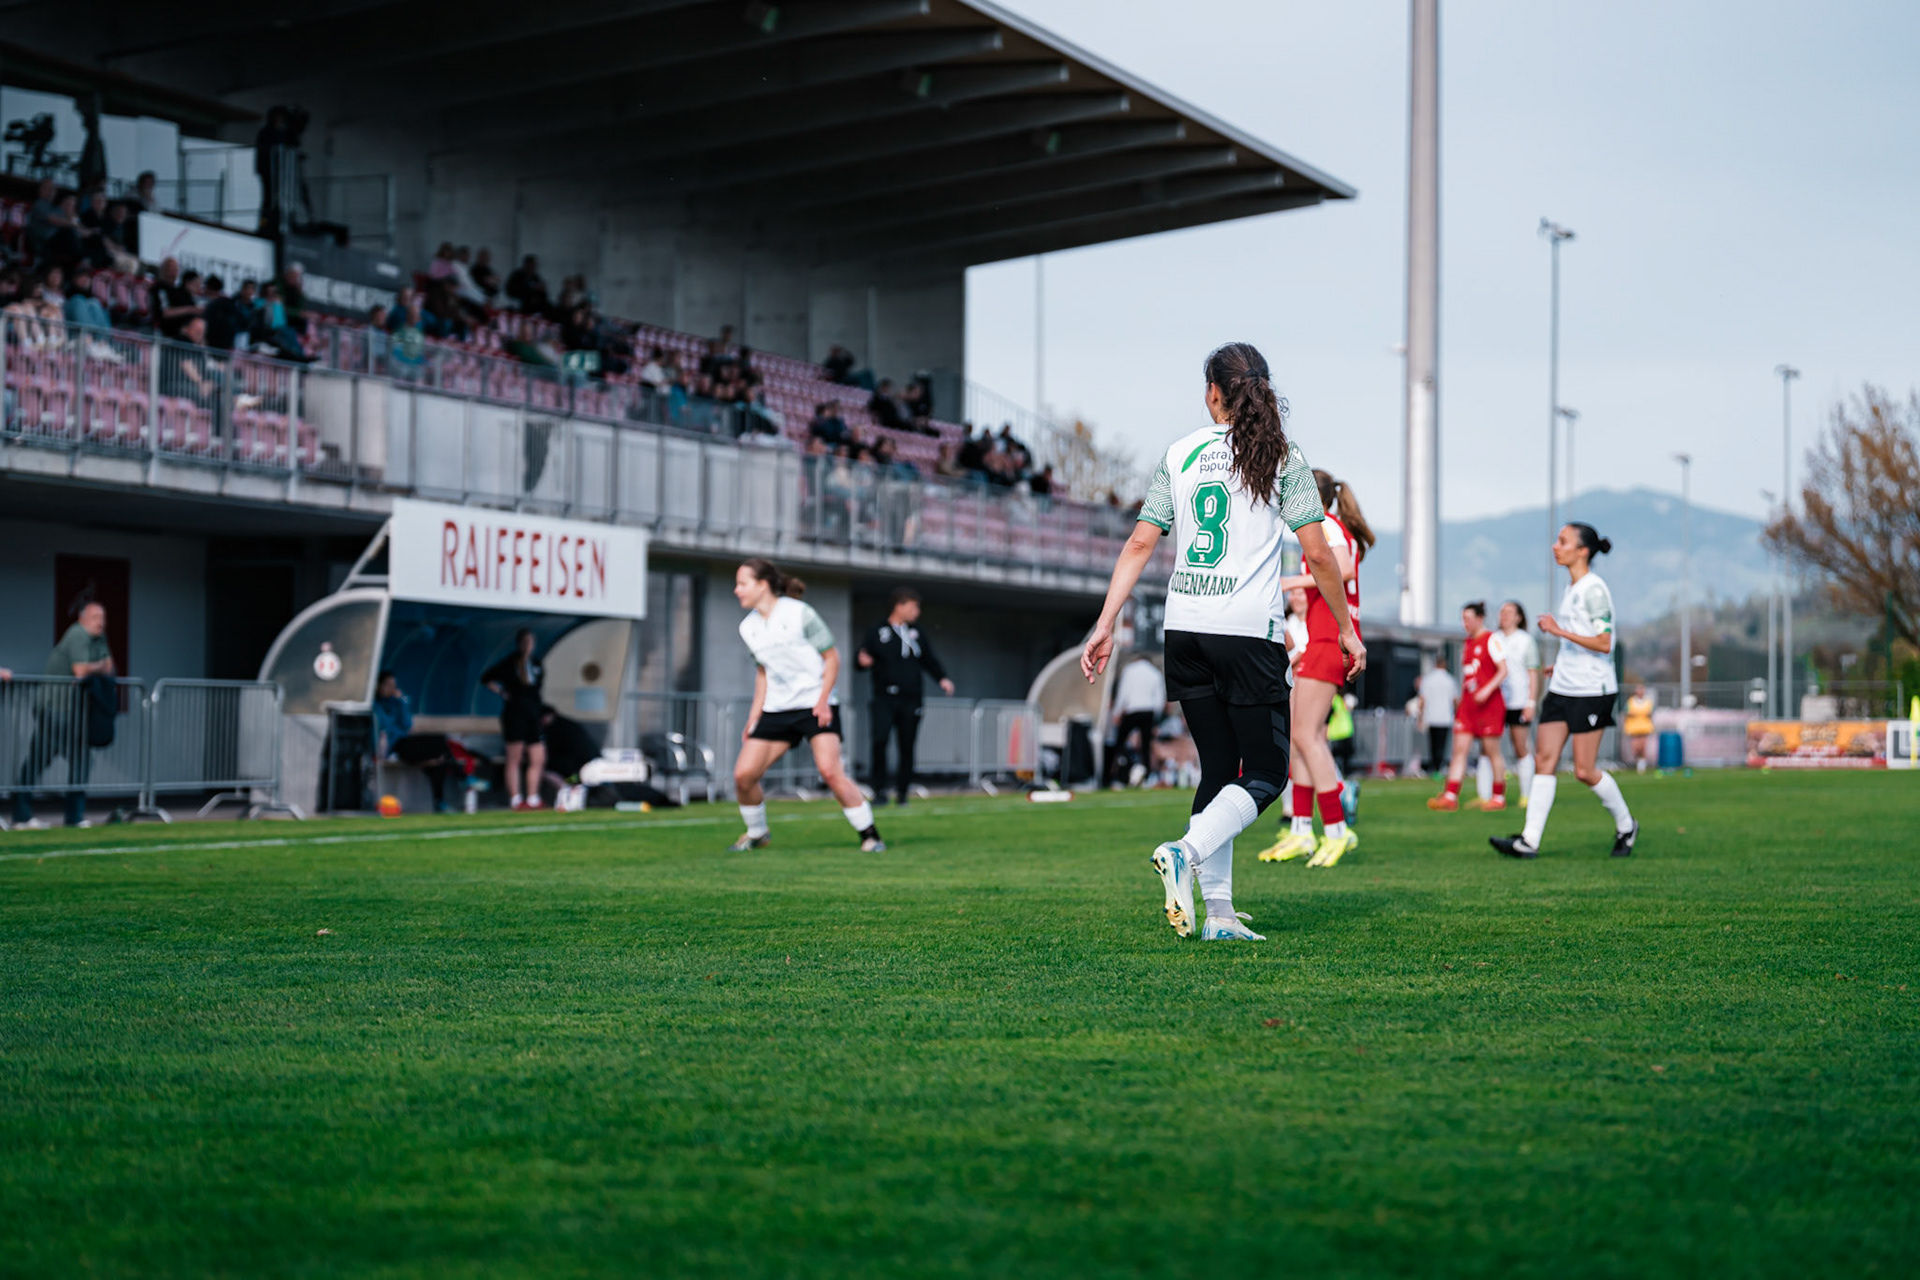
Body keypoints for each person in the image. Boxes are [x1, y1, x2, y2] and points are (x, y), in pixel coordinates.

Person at [1081, 341, 1364, 942]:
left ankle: (1220, 916)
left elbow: (1139, 544)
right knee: (1266, 772)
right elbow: (1317, 552)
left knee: (1217, 772)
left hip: (1183, 626)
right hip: (1244, 630)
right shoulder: (1281, 455)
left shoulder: (1180, 452)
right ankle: (1184, 852)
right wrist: (1343, 627)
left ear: (1213, 392)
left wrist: (1105, 622)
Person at [1493, 523, 1639, 859]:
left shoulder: (1594, 589)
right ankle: (1529, 841)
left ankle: (1626, 825)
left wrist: (1558, 631)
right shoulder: (1571, 588)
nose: (1555, 547)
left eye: (1563, 541)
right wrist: (1560, 665)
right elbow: (1580, 638)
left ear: (1582, 551)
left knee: (1585, 770)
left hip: (1591, 691)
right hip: (1562, 689)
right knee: (1545, 760)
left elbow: (1605, 643)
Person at [729, 558, 885, 853]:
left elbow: (832, 658)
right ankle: (757, 833)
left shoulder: (800, 613)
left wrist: (824, 700)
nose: (737, 590)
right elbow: (763, 673)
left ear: (762, 585)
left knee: (829, 771)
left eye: (742, 583)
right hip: (777, 709)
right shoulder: (747, 628)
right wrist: (754, 716)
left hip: (815, 703)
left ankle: (871, 835)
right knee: (743, 775)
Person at [1261, 469, 1374, 867]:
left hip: (1330, 640)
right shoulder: (1325, 526)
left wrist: (1293, 580)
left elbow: (1341, 569)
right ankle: (1301, 831)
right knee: (1298, 739)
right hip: (1323, 638)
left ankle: (1338, 830)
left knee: (1308, 737)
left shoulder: (1326, 524)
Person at [10, 601, 114, 829]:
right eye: (96, 617)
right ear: (83, 618)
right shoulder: (78, 635)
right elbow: (81, 670)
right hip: (56, 708)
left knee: (38, 760)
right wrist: (98, 667)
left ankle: (22, 815)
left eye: (103, 617)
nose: (101, 622)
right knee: (80, 759)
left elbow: (110, 668)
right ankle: (73, 816)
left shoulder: (100, 639)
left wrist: (94, 667)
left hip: (69, 711)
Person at [855, 588, 955, 806]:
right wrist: (861, 661)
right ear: (899, 606)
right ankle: (879, 791)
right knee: (879, 742)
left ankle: (902, 793)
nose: (916, 612)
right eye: (912, 607)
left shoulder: (916, 632)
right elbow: (861, 656)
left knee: (907, 746)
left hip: (911, 698)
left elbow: (929, 659)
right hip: (884, 698)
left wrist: (942, 678)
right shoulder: (877, 631)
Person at [1429, 602, 1509, 811]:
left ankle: (1498, 796)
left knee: (1492, 752)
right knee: (1459, 750)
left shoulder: (1492, 639)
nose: (1465, 623)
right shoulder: (1467, 643)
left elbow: (1503, 670)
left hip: (1490, 705)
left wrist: (1487, 690)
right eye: (1463, 619)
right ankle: (1450, 795)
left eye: (1468, 619)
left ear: (1480, 619)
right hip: (1468, 705)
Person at [372, 671, 460, 813]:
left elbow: (407, 724)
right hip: (393, 747)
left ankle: (440, 802)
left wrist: (401, 702)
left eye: (393, 685)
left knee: (439, 760)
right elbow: (384, 725)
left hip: (405, 743)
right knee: (438, 747)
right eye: (388, 685)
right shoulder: (375, 705)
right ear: (378, 686)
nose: (392, 689)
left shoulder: (397, 703)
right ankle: (461, 776)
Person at [482, 629, 547, 810]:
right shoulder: (510, 663)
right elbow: (486, 678)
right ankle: (516, 799)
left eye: (531, 641)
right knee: (515, 756)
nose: (528, 645)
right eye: (525, 641)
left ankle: (533, 797)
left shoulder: (536, 663)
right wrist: (502, 692)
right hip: (515, 714)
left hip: (533, 714)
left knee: (538, 756)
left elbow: (536, 688)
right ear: (519, 643)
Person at [1497, 599, 1543, 801]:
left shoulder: (1525, 640)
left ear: (1518, 617)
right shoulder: (1494, 639)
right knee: (1489, 748)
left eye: (1509, 612)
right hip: (1497, 702)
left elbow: (1533, 672)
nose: (1504, 615)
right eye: (1502, 612)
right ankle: (1493, 795)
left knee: (1520, 747)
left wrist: (1531, 702)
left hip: (1518, 700)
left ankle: (1527, 794)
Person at [1105, 655, 1167, 788]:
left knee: (1120, 743)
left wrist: (1116, 712)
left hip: (1132, 710)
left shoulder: (1129, 670)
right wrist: (1155, 718)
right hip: (1148, 711)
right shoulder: (1155, 673)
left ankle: (1117, 773)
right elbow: (1159, 699)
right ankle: (1146, 776)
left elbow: (1123, 692)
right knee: (1145, 747)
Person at [1414, 655, 1457, 775]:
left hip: (1431, 716)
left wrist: (1420, 717)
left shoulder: (1427, 680)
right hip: (1445, 717)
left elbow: (1422, 700)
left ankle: (1435, 766)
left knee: (1433, 743)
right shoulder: (1450, 680)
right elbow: (1455, 700)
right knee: (1442, 744)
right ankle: (1439, 766)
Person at [1623, 683, 1657, 772]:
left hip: (1644, 727)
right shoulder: (1631, 701)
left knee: (1643, 747)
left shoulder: (1648, 702)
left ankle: (1642, 764)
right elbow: (1626, 713)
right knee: (1635, 748)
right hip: (1634, 728)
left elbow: (1651, 713)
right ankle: (1638, 761)